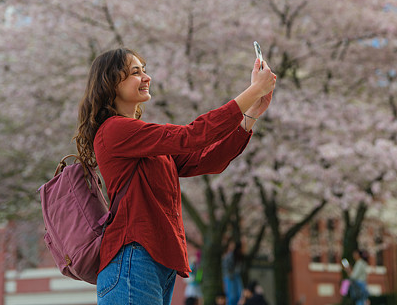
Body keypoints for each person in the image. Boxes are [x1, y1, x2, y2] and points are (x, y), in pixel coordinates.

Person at [74, 48, 275, 305]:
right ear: (111, 82)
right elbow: (192, 136)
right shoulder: (115, 130)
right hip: (133, 258)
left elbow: (205, 160)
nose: (146, 77)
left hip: (154, 261)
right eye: (136, 72)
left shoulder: (141, 138)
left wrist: (250, 117)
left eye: (144, 70)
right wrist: (252, 92)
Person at [222, 240, 243, 305]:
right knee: (232, 295)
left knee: (239, 294)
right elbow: (225, 267)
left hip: (235, 276)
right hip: (230, 277)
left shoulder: (238, 256)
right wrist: (230, 274)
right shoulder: (230, 256)